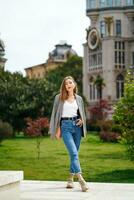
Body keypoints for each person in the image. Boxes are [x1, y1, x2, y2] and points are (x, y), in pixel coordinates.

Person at [49, 76, 89, 192]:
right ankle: (81, 180)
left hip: (77, 127)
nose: (68, 85)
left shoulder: (79, 99)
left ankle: (70, 179)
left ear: (74, 85)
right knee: (74, 153)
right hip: (65, 126)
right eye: (66, 84)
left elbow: (82, 113)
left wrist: (82, 120)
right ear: (64, 86)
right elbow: (55, 114)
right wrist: (57, 129)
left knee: (74, 154)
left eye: (70, 82)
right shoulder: (59, 98)